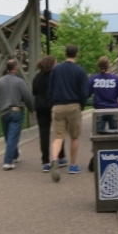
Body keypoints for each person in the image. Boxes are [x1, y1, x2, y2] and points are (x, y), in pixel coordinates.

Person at [48, 44, 89, 181]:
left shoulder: (56, 69)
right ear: (76, 54)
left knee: (58, 136)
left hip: (58, 106)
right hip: (73, 105)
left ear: (65, 54)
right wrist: (81, 105)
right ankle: (72, 165)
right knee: (74, 136)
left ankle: (54, 160)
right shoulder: (80, 71)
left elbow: (50, 89)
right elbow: (84, 92)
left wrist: (52, 103)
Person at [0, 59, 34, 171]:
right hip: (16, 111)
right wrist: (32, 109)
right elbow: (28, 97)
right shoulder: (20, 82)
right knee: (12, 137)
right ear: (16, 68)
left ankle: (15, 154)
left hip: (4, 112)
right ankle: (7, 162)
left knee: (9, 136)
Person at [32, 55, 67, 171]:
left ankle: (45, 161)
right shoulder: (55, 76)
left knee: (44, 134)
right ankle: (60, 156)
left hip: (40, 107)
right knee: (59, 132)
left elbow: (34, 92)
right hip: (53, 106)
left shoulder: (37, 77)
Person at [89, 56, 118, 132]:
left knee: (98, 135)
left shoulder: (94, 79)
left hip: (99, 110)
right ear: (109, 65)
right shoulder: (116, 79)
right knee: (114, 134)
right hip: (113, 110)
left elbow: (86, 92)